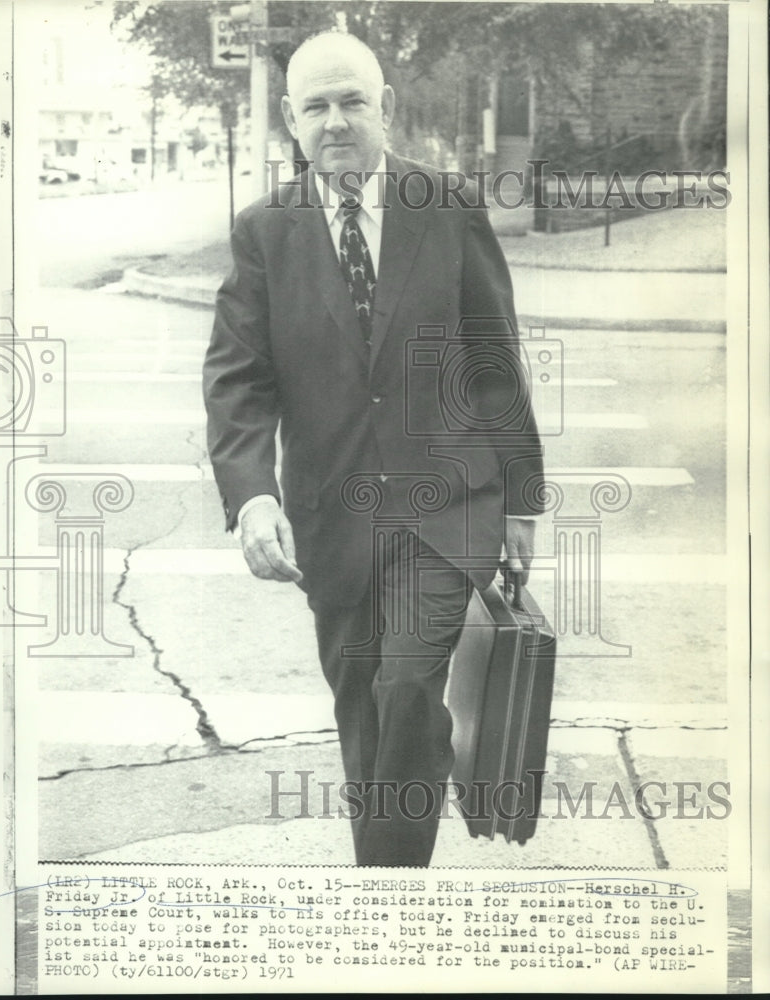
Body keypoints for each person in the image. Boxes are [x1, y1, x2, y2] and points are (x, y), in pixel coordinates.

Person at [203, 31, 544, 866]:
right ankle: (386, 872)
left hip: (446, 511)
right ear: (291, 119)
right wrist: (253, 496)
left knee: (403, 687)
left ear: (386, 108)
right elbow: (239, 377)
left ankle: (388, 899)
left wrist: (522, 499)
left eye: (353, 101)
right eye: (315, 106)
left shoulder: (447, 205)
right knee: (368, 714)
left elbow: (495, 358)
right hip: (334, 522)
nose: (336, 121)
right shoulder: (265, 233)